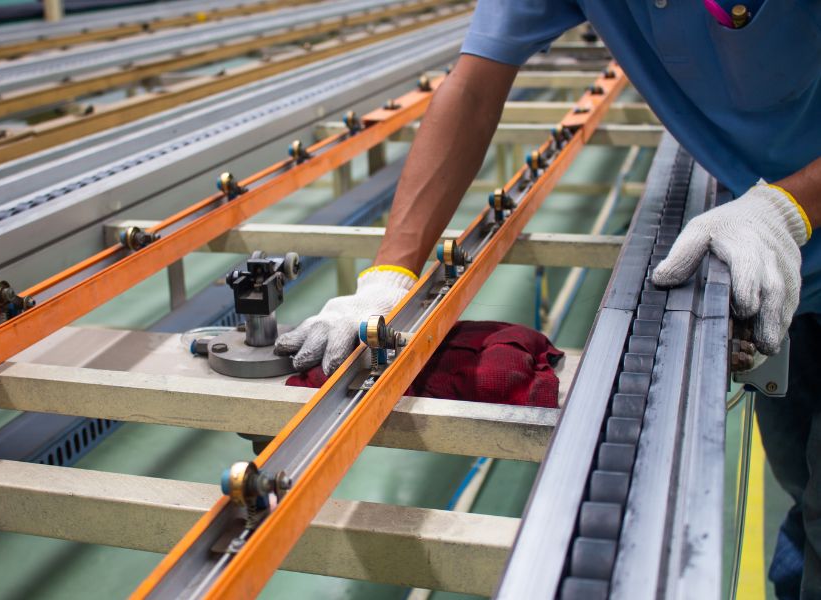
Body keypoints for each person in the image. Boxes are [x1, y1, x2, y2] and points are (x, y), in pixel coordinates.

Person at [274, 1, 821, 595]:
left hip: (775, 232)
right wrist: (389, 278)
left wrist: (786, 208)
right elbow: (475, 87)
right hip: (772, 269)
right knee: (806, 490)